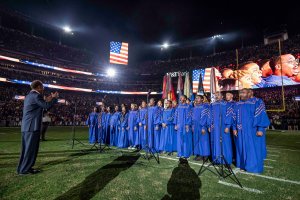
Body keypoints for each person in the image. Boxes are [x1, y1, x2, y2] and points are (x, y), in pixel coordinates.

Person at [17, 80, 58, 175]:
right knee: (31, 149)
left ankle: (22, 168)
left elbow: (40, 105)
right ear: (38, 87)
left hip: (26, 126)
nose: (43, 89)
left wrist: (49, 98)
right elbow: (46, 106)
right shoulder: (36, 95)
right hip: (32, 126)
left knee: (26, 149)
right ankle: (25, 170)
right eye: (42, 87)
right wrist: (54, 98)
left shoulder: (29, 96)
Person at [233, 88, 270, 173]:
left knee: (253, 148)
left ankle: (253, 167)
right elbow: (234, 117)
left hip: (252, 130)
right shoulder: (238, 104)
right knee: (241, 148)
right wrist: (234, 128)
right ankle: (243, 165)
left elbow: (261, 115)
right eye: (240, 93)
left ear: (249, 93)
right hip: (241, 130)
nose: (241, 94)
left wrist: (260, 129)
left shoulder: (257, 102)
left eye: (243, 92)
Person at [209, 92, 233, 165]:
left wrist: (228, 126)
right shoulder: (212, 105)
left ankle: (226, 160)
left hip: (223, 126)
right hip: (214, 127)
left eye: (218, 95)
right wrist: (210, 125)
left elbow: (229, 115)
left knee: (225, 143)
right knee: (215, 142)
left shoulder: (226, 104)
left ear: (222, 96)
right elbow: (210, 115)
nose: (216, 96)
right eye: (215, 95)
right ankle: (216, 159)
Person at [174, 95, 193, 159]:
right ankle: (180, 153)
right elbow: (176, 115)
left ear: (185, 99)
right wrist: (175, 124)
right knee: (180, 140)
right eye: (180, 98)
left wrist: (188, 124)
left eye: (182, 98)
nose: (180, 99)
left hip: (185, 125)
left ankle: (186, 154)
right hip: (179, 125)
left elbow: (189, 116)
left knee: (186, 140)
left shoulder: (188, 106)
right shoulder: (178, 106)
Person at [192, 95, 210, 161]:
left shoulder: (205, 107)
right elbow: (193, 118)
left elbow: (205, 118)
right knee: (196, 140)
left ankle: (205, 155)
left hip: (202, 126)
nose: (196, 99)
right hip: (196, 126)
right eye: (196, 98)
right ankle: (199, 154)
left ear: (202, 99)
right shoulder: (194, 108)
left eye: (198, 98)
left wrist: (203, 127)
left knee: (204, 140)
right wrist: (193, 125)